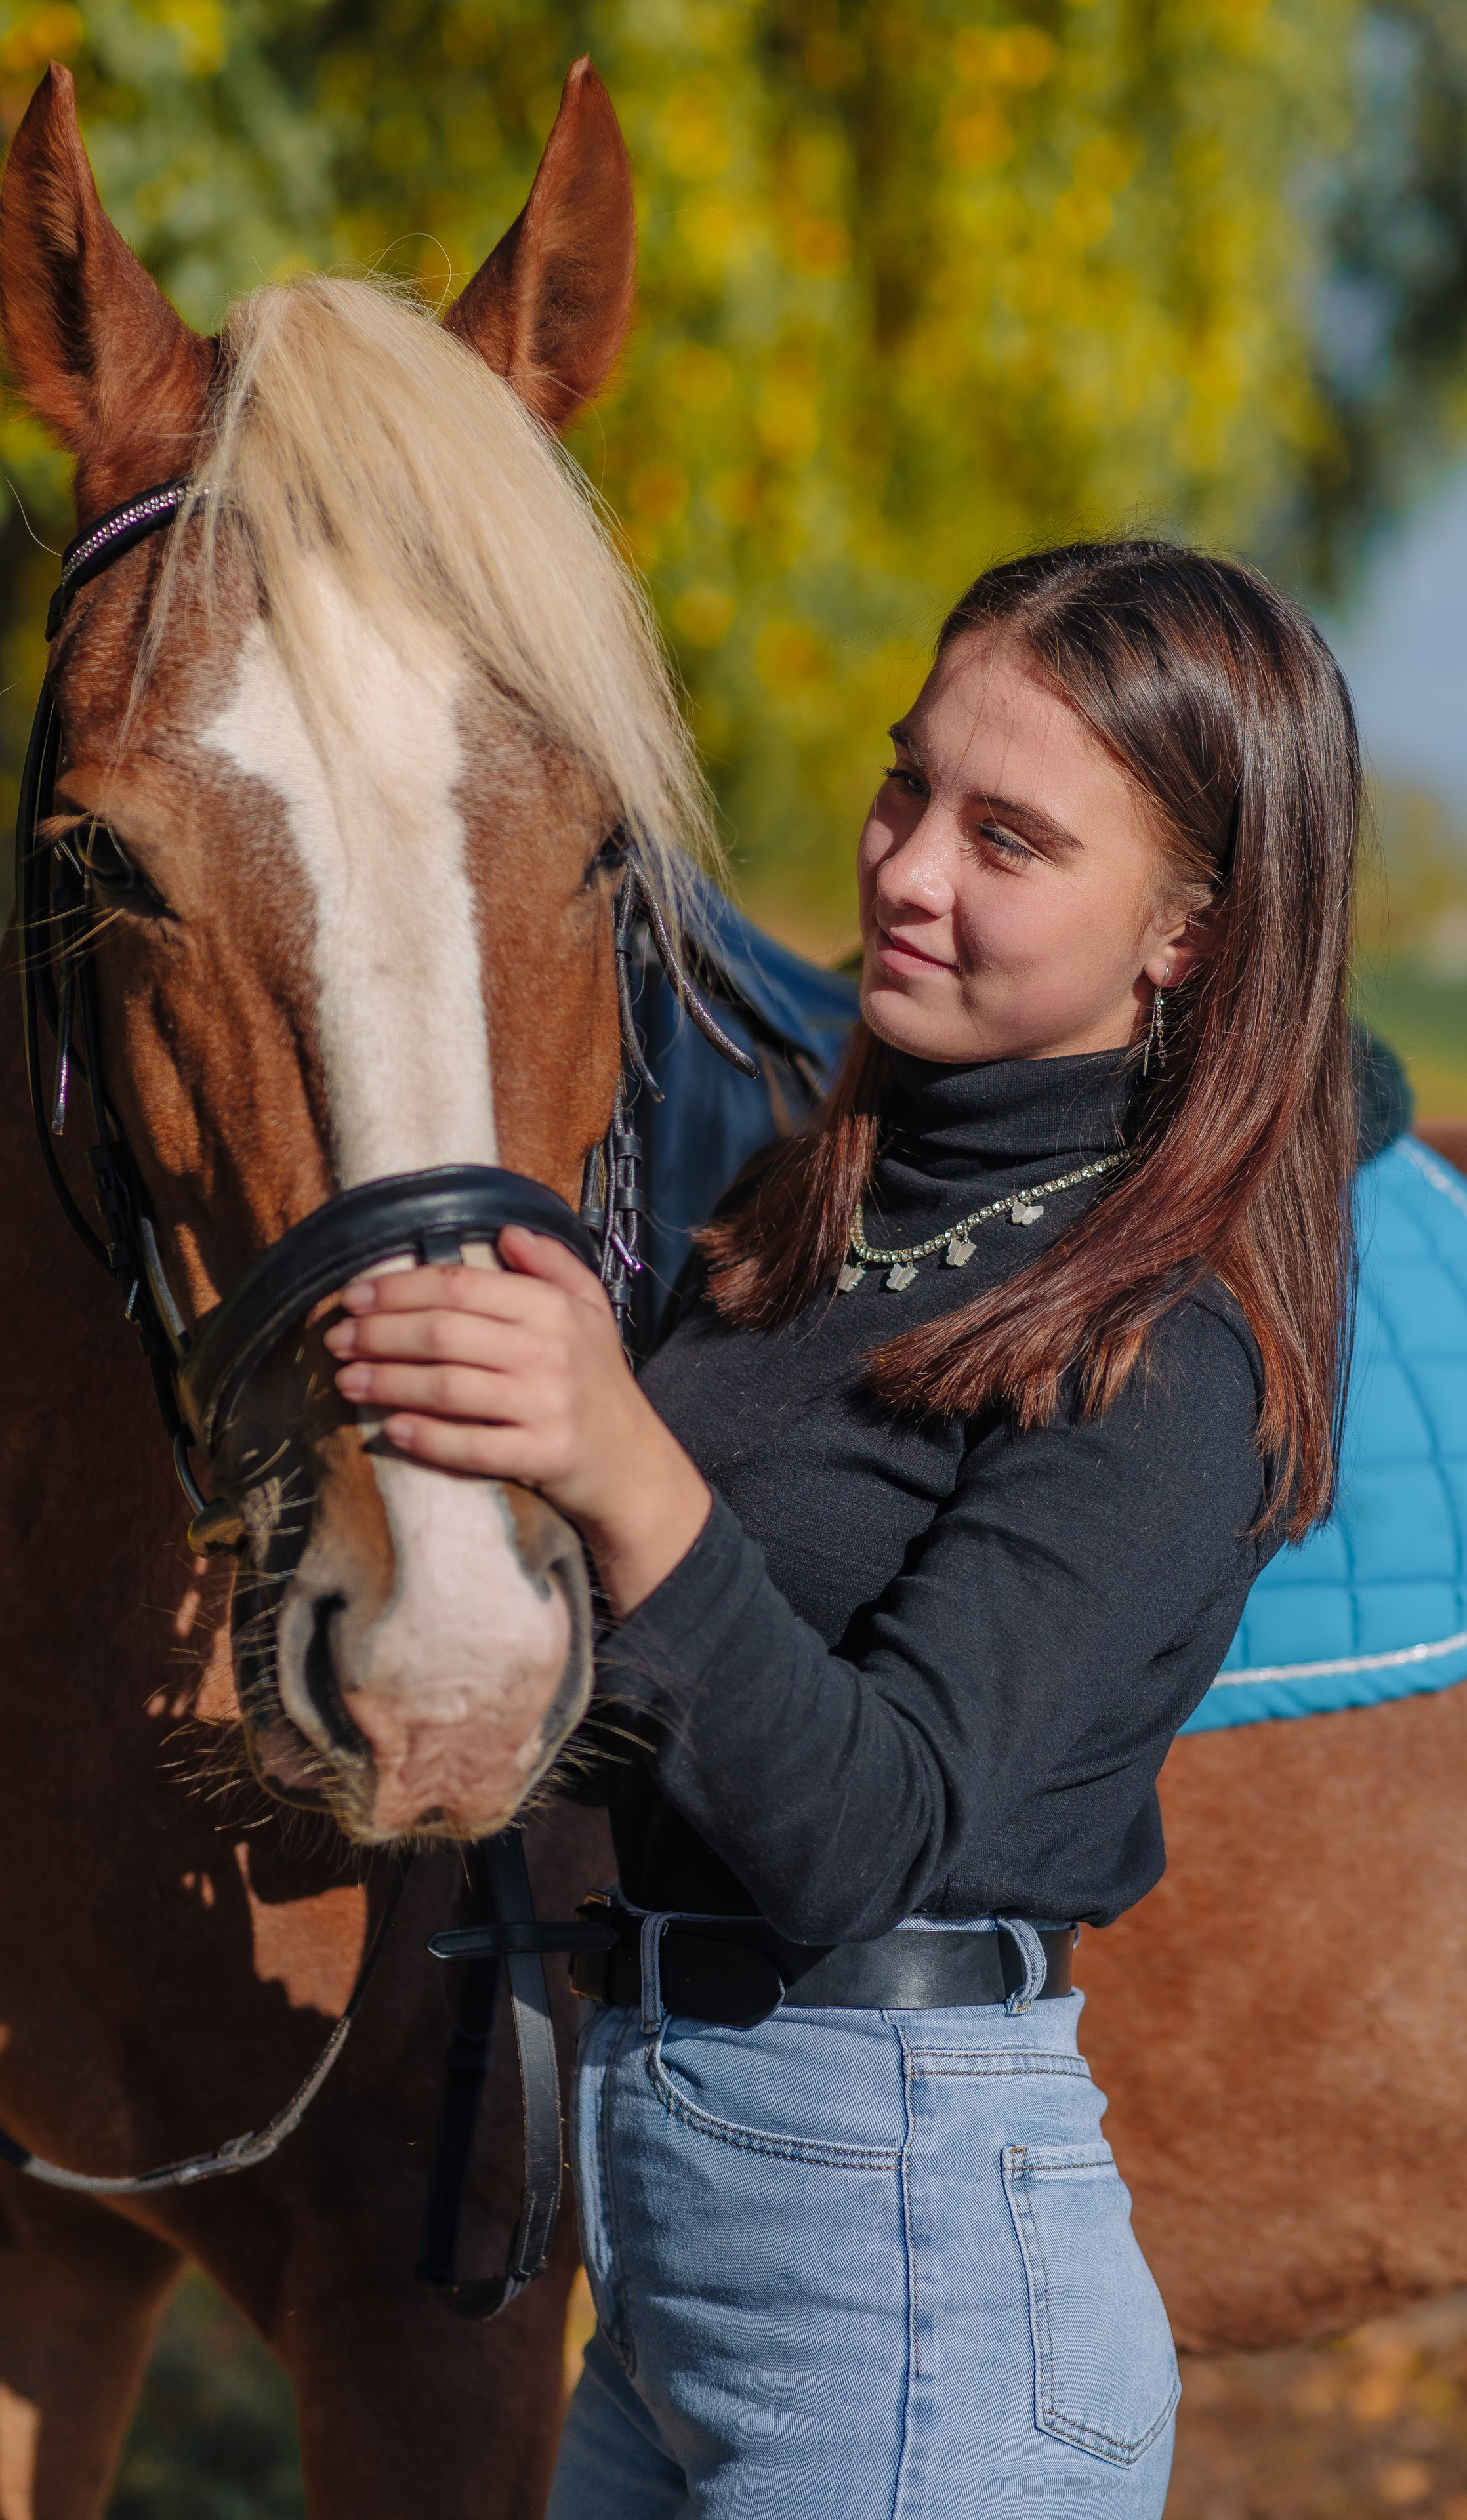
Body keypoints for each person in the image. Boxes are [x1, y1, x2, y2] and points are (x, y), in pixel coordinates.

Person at [323, 541, 1360, 2517]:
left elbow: (867, 1837)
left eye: (1011, 838)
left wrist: (625, 1465)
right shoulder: (817, 1220)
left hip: (910, 2283)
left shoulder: (1171, 1349)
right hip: (684, 2249)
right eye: (909, 786)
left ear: (1191, 941)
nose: (904, 866)